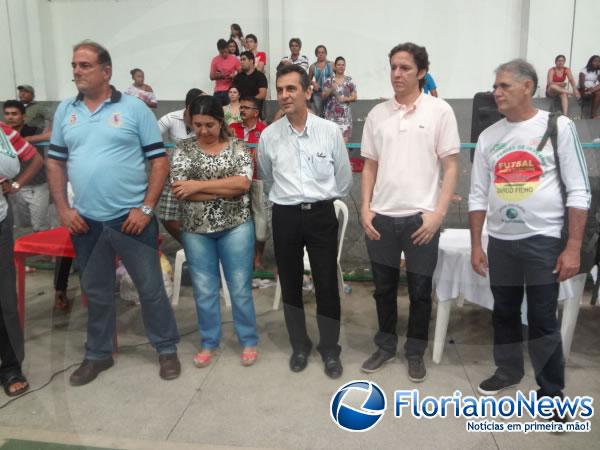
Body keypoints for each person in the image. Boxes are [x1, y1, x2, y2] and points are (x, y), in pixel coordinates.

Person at [46, 40, 181, 386]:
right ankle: (98, 355)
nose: (76, 71)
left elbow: (159, 161)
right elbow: (56, 162)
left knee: (150, 289)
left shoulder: (135, 109)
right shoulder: (66, 111)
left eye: (85, 65)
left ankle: (166, 349)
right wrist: (63, 208)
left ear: (106, 71)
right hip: (85, 222)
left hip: (131, 220)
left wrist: (146, 209)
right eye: (74, 65)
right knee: (97, 290)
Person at [469, 59, 590, 407]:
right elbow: (477, 195)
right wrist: (477, 244)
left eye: (504, 86)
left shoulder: (558, 126)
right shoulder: (489, 137)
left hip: (543, 242)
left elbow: (579, 190)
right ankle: (508, 371)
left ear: (528, 87)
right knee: (503, 311)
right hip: (501, 243)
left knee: (541, 318)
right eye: (495, 86)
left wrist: (573, 246)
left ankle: (551, 393)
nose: (496, 92)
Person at [360, 42, 460, 382]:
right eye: (393, 67)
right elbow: (369, 166)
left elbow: (451, 167)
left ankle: (414, 352)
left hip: (422, 220)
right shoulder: (377, 115)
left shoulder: (440, 112)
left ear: (421, 72)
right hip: (381, 220)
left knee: (420, 290)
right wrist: (365, 209)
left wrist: (437, 214)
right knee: (383, 289)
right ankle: (385, 345)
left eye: (404, 67)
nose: (397, 74)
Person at [258, 64, 353, 379]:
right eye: (280, 89)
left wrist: (320, 197)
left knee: (326, 285)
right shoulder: (269, 137)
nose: (284, 96)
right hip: (285, 216)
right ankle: (299, 345)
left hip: (322, 215)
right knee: (291, 285)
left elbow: (343, 179)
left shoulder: (329, 132)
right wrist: (290, 200)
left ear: (307, 91)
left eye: (291, 89)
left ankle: (330, 349)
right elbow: (268, 179)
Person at [170, 95, 258, 368]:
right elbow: (180, 191)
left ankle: (248, 339)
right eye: (197, 125)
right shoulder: (182, 149)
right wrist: (221, 188)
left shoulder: (239, 148)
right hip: (197, 230)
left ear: (220, 122)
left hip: (237, 227)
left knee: (240, 287)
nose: (203, 131)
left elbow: (243, 185)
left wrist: (197, 186)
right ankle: (209, 342)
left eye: (209, 124)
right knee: (205, 289)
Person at [0, 124, 34, 397]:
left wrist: (16, 184)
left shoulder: (4, 133)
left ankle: (11, 366)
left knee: (4, 300)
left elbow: (34, 158)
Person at [156, 88, 206, 242]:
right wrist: (161, 156)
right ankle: (190, 245)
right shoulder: (171, 118)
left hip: (202, 175)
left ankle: (200, 247)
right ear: (189, 108)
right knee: (167, 217)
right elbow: (150, 137)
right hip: (175, 175)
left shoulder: (207, 120)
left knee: (203, 217)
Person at [229, 96, 269, 268]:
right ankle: (241, 256)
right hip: (236, 180)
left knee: (261, 219)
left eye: (246, 107)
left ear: (256, 112)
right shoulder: (231, 129)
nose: (242, 110)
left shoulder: (265, 130)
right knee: (238, 219)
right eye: (241, 107)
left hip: (258, 179)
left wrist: (259, 152)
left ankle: (258, 257)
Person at [2, 100, 49, 232]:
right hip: (15, 187)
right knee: (23, 225)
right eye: (7, 114)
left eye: (14, 114)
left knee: (40, 226)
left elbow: (51, 135)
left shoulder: (33, 131)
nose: (10, 117)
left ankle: (46, 251)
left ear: (24, 116)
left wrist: (28, 139)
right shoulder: (3, 134)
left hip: (38, 185)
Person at [322, 56, 357, 143]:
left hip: (345, 118)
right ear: (335, 66)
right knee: (331, 144)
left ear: (345, 66)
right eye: (339, 65)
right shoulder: (329, 81)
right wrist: (331, 89)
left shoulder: (349, 80)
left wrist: (344, 99)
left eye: (343, 65)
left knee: (344, 145)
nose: (341, 67)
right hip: (331, 117)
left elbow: (355, 97)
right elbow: (323, 96)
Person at [210, 39, 241, 106]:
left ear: (227, 48)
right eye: (222, 53)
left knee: (230, 113)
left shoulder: (234, 59)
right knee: (217, 112)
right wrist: (221, 76)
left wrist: (234, 76)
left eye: (226, 52)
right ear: (218, 50)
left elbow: (241, 73)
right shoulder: (215, 60)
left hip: (230, 91)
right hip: (218, 91)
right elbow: (211, 77)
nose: (224, 54)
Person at [308, 45, 334, 116]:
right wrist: (313, 83)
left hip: (330, 94)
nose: (321, 54)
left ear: (326, 53)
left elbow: (337, 77)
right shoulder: (313, 67)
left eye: (323, 52)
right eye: (319, 52)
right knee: (319, 114)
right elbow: (307, 80)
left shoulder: (331, 64)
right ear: (316, 54)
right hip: (318, 94)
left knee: (330, 114)